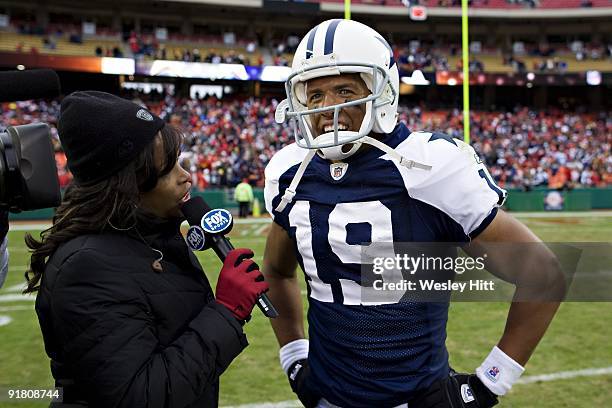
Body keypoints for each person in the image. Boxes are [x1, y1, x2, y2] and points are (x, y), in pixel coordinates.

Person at [263, 19, 565, 408]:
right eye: (315, 94)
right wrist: (293, 355)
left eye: (344, 91)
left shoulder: (429, 167)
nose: (327, 109)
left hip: (416, 397)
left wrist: (489, 383)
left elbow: (543, 274)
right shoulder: (291, 172)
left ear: (382, 92)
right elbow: (276, 270)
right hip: (326, 396)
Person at [24, 91, 269, 408]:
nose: (185, 178)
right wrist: (226, 313)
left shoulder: (151, 236)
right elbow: (137, 396)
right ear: (128, 183)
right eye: (168, 168)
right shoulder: (87, 267)